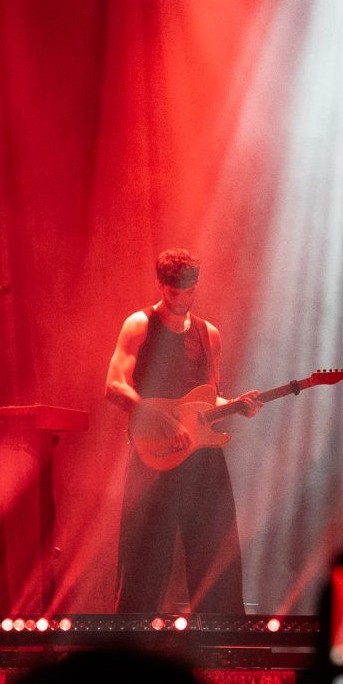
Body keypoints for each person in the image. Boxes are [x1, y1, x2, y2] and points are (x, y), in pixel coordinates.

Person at [104, 249, 261, 614]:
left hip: (202, 458)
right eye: (173, 292)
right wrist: (152, 415)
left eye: (188, 291)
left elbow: (210, 396)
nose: (181, 299)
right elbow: (114, 385)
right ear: (161, 286)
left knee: (216, 554)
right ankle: (132, 643)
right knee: (144, 559)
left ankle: (224, 641)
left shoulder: (208, 333)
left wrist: (236, 405)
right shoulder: (139, 324)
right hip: (154, 456)